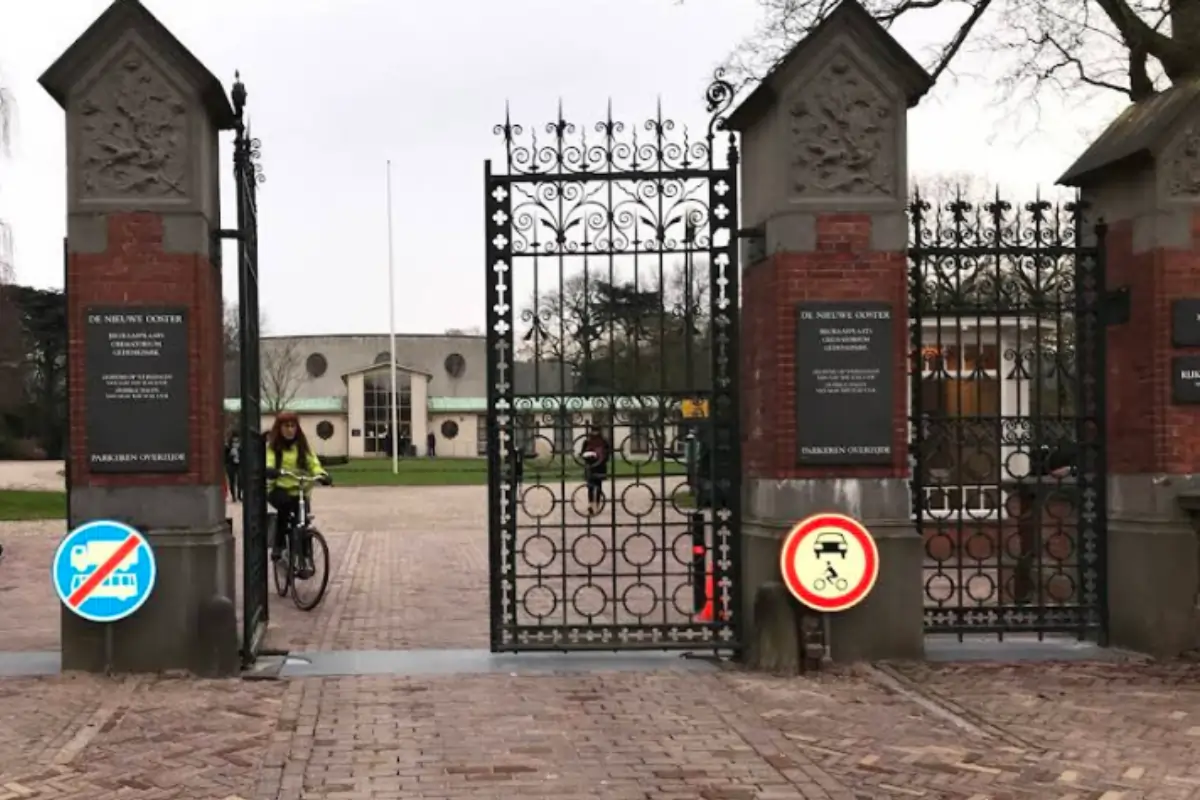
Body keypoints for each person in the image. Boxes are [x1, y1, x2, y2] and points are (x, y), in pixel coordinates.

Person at [264, 411, 331, 561]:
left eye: (293, 426)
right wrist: (272, 470)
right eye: (286, 426)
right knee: (285, 507)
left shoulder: (302, 446)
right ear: (279, 428)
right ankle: (278, 545)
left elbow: (313, 463)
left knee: (303, 519)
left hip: (299, 490)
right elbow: (269, 461)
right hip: (279, 488)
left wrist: (321, 474)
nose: (290, 430)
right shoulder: (273, 447)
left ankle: (306, 556)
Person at [580, 426, 610, 515]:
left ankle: (597, 505)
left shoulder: (604, 442)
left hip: (600, 466)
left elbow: (608, 454)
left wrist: (601, 459)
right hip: (590, 466)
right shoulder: (587, 441)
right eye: (593, 431)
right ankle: (591, 504)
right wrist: (588, 456)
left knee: (598, 486)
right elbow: (582, 453)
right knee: (590, 486)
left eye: (596, 431)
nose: (595, 433)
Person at [224, 431, 242, 503]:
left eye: (237, 441)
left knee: (240, 480)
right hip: (231, 465)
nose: (236, 444)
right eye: (234, 442)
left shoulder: (240, 448)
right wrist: (230, 455)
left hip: (239, 465)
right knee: (232, 481)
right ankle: (233, 496)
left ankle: (239, 495)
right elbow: (225, 458)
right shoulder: (228, 448)